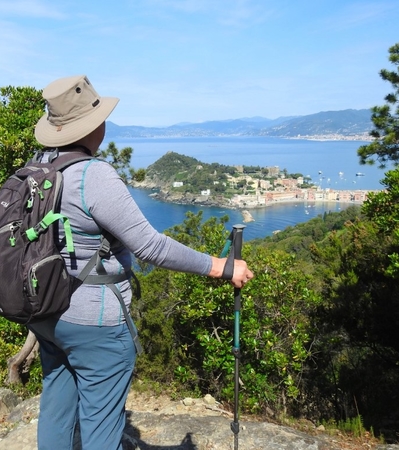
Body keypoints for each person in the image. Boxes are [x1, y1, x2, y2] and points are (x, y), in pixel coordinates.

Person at [28, 75, 254, 450]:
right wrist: (221, 266)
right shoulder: (92, 175)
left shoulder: (39, 169)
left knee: (57, 408)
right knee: (101, 426)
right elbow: (151, 246)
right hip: (95, 322)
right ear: (93, 126)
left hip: (47, 311)